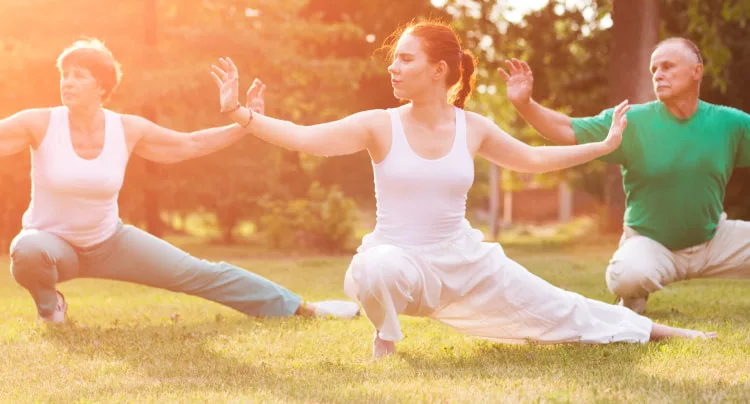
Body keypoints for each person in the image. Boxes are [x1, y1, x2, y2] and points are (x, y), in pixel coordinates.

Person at [213, 22, 715, 359]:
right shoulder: (378, 125)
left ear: (439, 70)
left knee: (564, 308)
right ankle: (386, 338)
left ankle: (663, 331)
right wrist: (242, 114)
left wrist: (603, 145)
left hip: (465, 261)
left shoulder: (471, 127)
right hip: (400, 255)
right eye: (394, 59)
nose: (393, 67)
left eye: (405, 59)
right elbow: (307, 139)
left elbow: (534, 159)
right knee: (373, 268)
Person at [3, 38, 360, 323]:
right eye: (65, 74)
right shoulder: (38, 123)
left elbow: (189, 144)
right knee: (27, 249)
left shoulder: (127, 128)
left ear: (102, 85)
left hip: (109, 241)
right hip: (52, 247)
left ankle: (303, 308)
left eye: (79, 75)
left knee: (202, 273)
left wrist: (244, 122)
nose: (68, 82)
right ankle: (50, 307)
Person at [500, 37, 750, 314]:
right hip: (651, 244)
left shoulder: (729, 124)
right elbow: (566, 129)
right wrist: (525, 105)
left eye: (668, 66)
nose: (659, 75)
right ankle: (632, 299)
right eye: (654, 69)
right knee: (628, 276)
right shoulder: (632, 121)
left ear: (697, 71)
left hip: (713, 237)